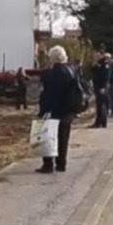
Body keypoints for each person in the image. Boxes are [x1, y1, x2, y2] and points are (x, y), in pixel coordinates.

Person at [37, 45, 77, 174]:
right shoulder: (72, 70)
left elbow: (47, 93)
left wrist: (43, 110)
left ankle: (48, 165)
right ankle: (61, 164)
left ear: (52, 58)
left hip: (53, 110)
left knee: (48, 138)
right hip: (68, 109)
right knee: (63, 138)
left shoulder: (49, 74)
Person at [90, 53, 111, 128]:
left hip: (101, 87)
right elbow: (93, 70)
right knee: (100, 105)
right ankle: (101, 122)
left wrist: (103, 87)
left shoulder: (104, 64)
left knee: (101, 105)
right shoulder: (100, 64)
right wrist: (95, 63)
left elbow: (105, 77)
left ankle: (100, 122)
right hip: (98, 86)